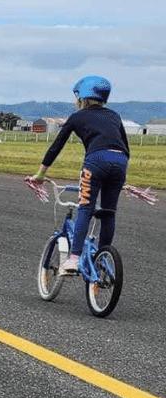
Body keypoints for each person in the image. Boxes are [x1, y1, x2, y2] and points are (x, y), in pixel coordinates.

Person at [27, 75, 130, 274]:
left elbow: (56, 147)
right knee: (109, 213)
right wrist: (118, 176)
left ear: (82, 96)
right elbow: (125, 148)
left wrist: (40, 175)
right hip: (120, 162)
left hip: (96, 160)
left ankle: (73, 259)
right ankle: (103, 257)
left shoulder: (77, 117)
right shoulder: (114, 116)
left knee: (85, 208)